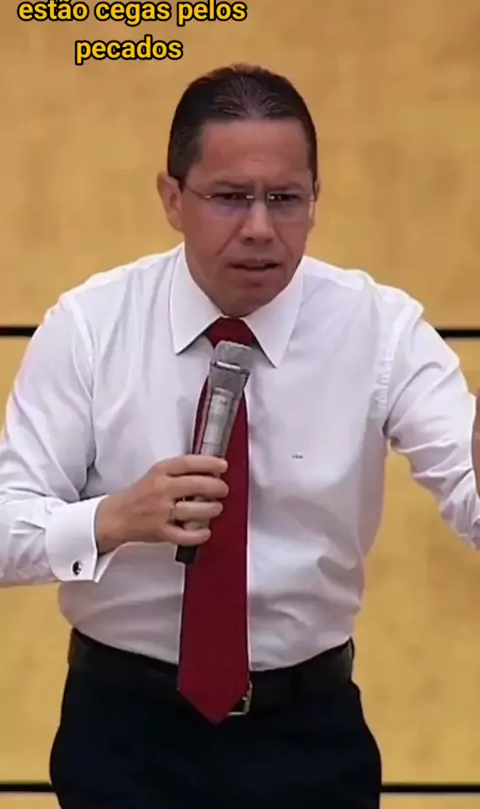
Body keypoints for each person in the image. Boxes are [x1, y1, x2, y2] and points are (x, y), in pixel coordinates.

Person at [0, 63, 479, 809]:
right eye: (229, 197)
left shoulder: (382, 332)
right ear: (172, 199)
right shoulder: (90, 327)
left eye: (284, 199)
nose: (259, 227)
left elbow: (472, 507)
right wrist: (111, 519)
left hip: (309, 736)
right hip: (124, 736)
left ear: (315, 200)